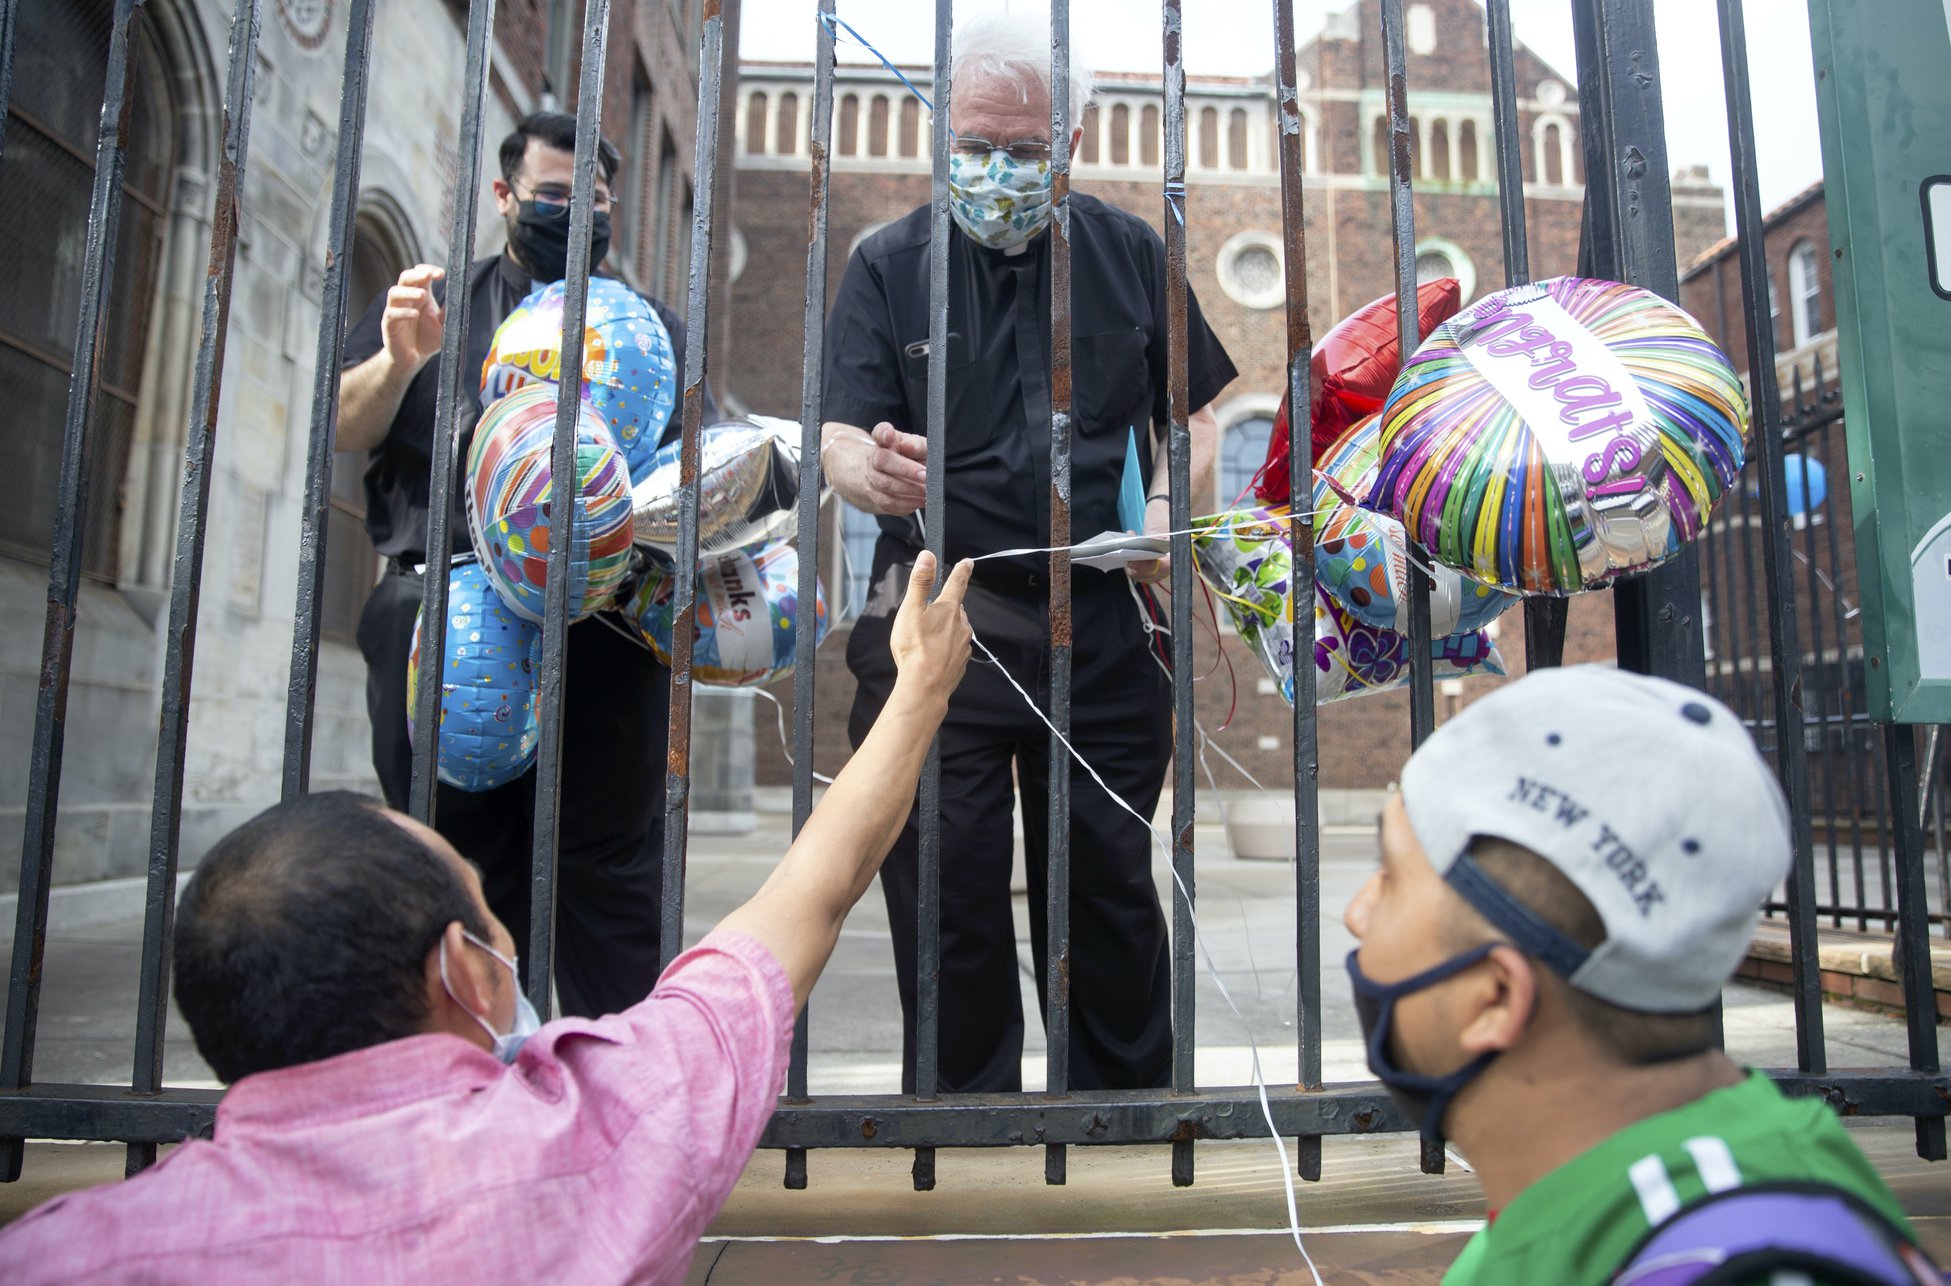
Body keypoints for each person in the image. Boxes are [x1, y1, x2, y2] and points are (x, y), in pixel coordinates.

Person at [0, 555, 975, 1282]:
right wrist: (920, 690)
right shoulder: (597, 1137)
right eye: (484, 910)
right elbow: (810, 890)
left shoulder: (67, 1250)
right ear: (465, 969)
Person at [820, 11, 1238, 1095]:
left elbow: (1193, 419)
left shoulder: (1130, 252)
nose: (994, 169)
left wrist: (1166, 512)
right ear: (937, 134)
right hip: (934, 611)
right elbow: (833, 434)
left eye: (1021, 149)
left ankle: (1121, 1114)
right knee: (944, 884)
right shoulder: (885, 261)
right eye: (974, 144)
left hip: (1096, 611)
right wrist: (862, 467)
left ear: (1072, 143)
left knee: (1102, 879)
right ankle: (963, 1124)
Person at [1344, 665, 1940, 1285]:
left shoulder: (1737, 1266)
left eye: (1389, 876)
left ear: (1493, 996)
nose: (1355, 912)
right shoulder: (1595, 1202)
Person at [338, 111, 710, 1019]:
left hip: (606, 627)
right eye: (554, 195)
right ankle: (478, 1095)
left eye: (597, 199)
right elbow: (345, 426)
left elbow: (685, 476)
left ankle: (622, 1105)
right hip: (445, 612)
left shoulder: (647, 328)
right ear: (504, 196)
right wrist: (398, 360)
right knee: (455, 877)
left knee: (613, 882)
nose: (579, 213)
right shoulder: (438, 307)